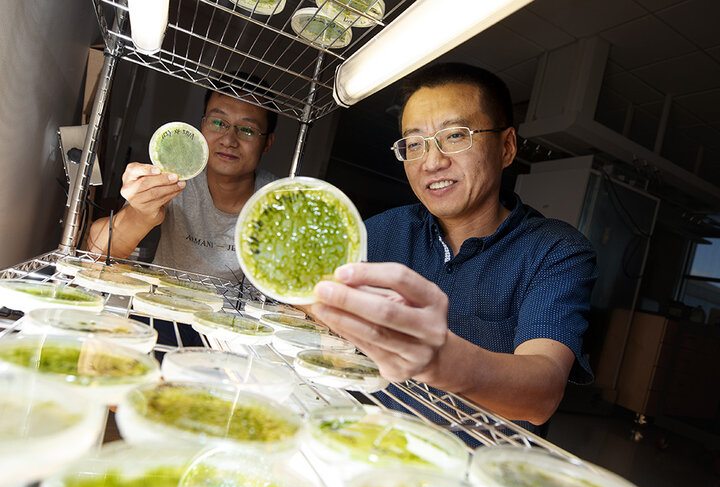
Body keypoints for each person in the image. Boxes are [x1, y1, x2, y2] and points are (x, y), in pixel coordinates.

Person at [309, 63, 597, 435]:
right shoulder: (382, 231)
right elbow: (315, 298)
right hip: (373, 442)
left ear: (507, 147)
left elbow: (541, 393)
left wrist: (440, 359)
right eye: (414, 144)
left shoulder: (556, 251)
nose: (431, 162)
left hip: (476, 472)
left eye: (456, 136)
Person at [85, 79, 278, 283]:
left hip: (235, 315)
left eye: (247, 129)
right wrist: (140, 215)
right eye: (218, 123)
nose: (229, 140)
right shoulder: (174, 177)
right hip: (160, 309)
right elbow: (97, 253)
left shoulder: (280, 199)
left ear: (267, 143)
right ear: (202, 126)